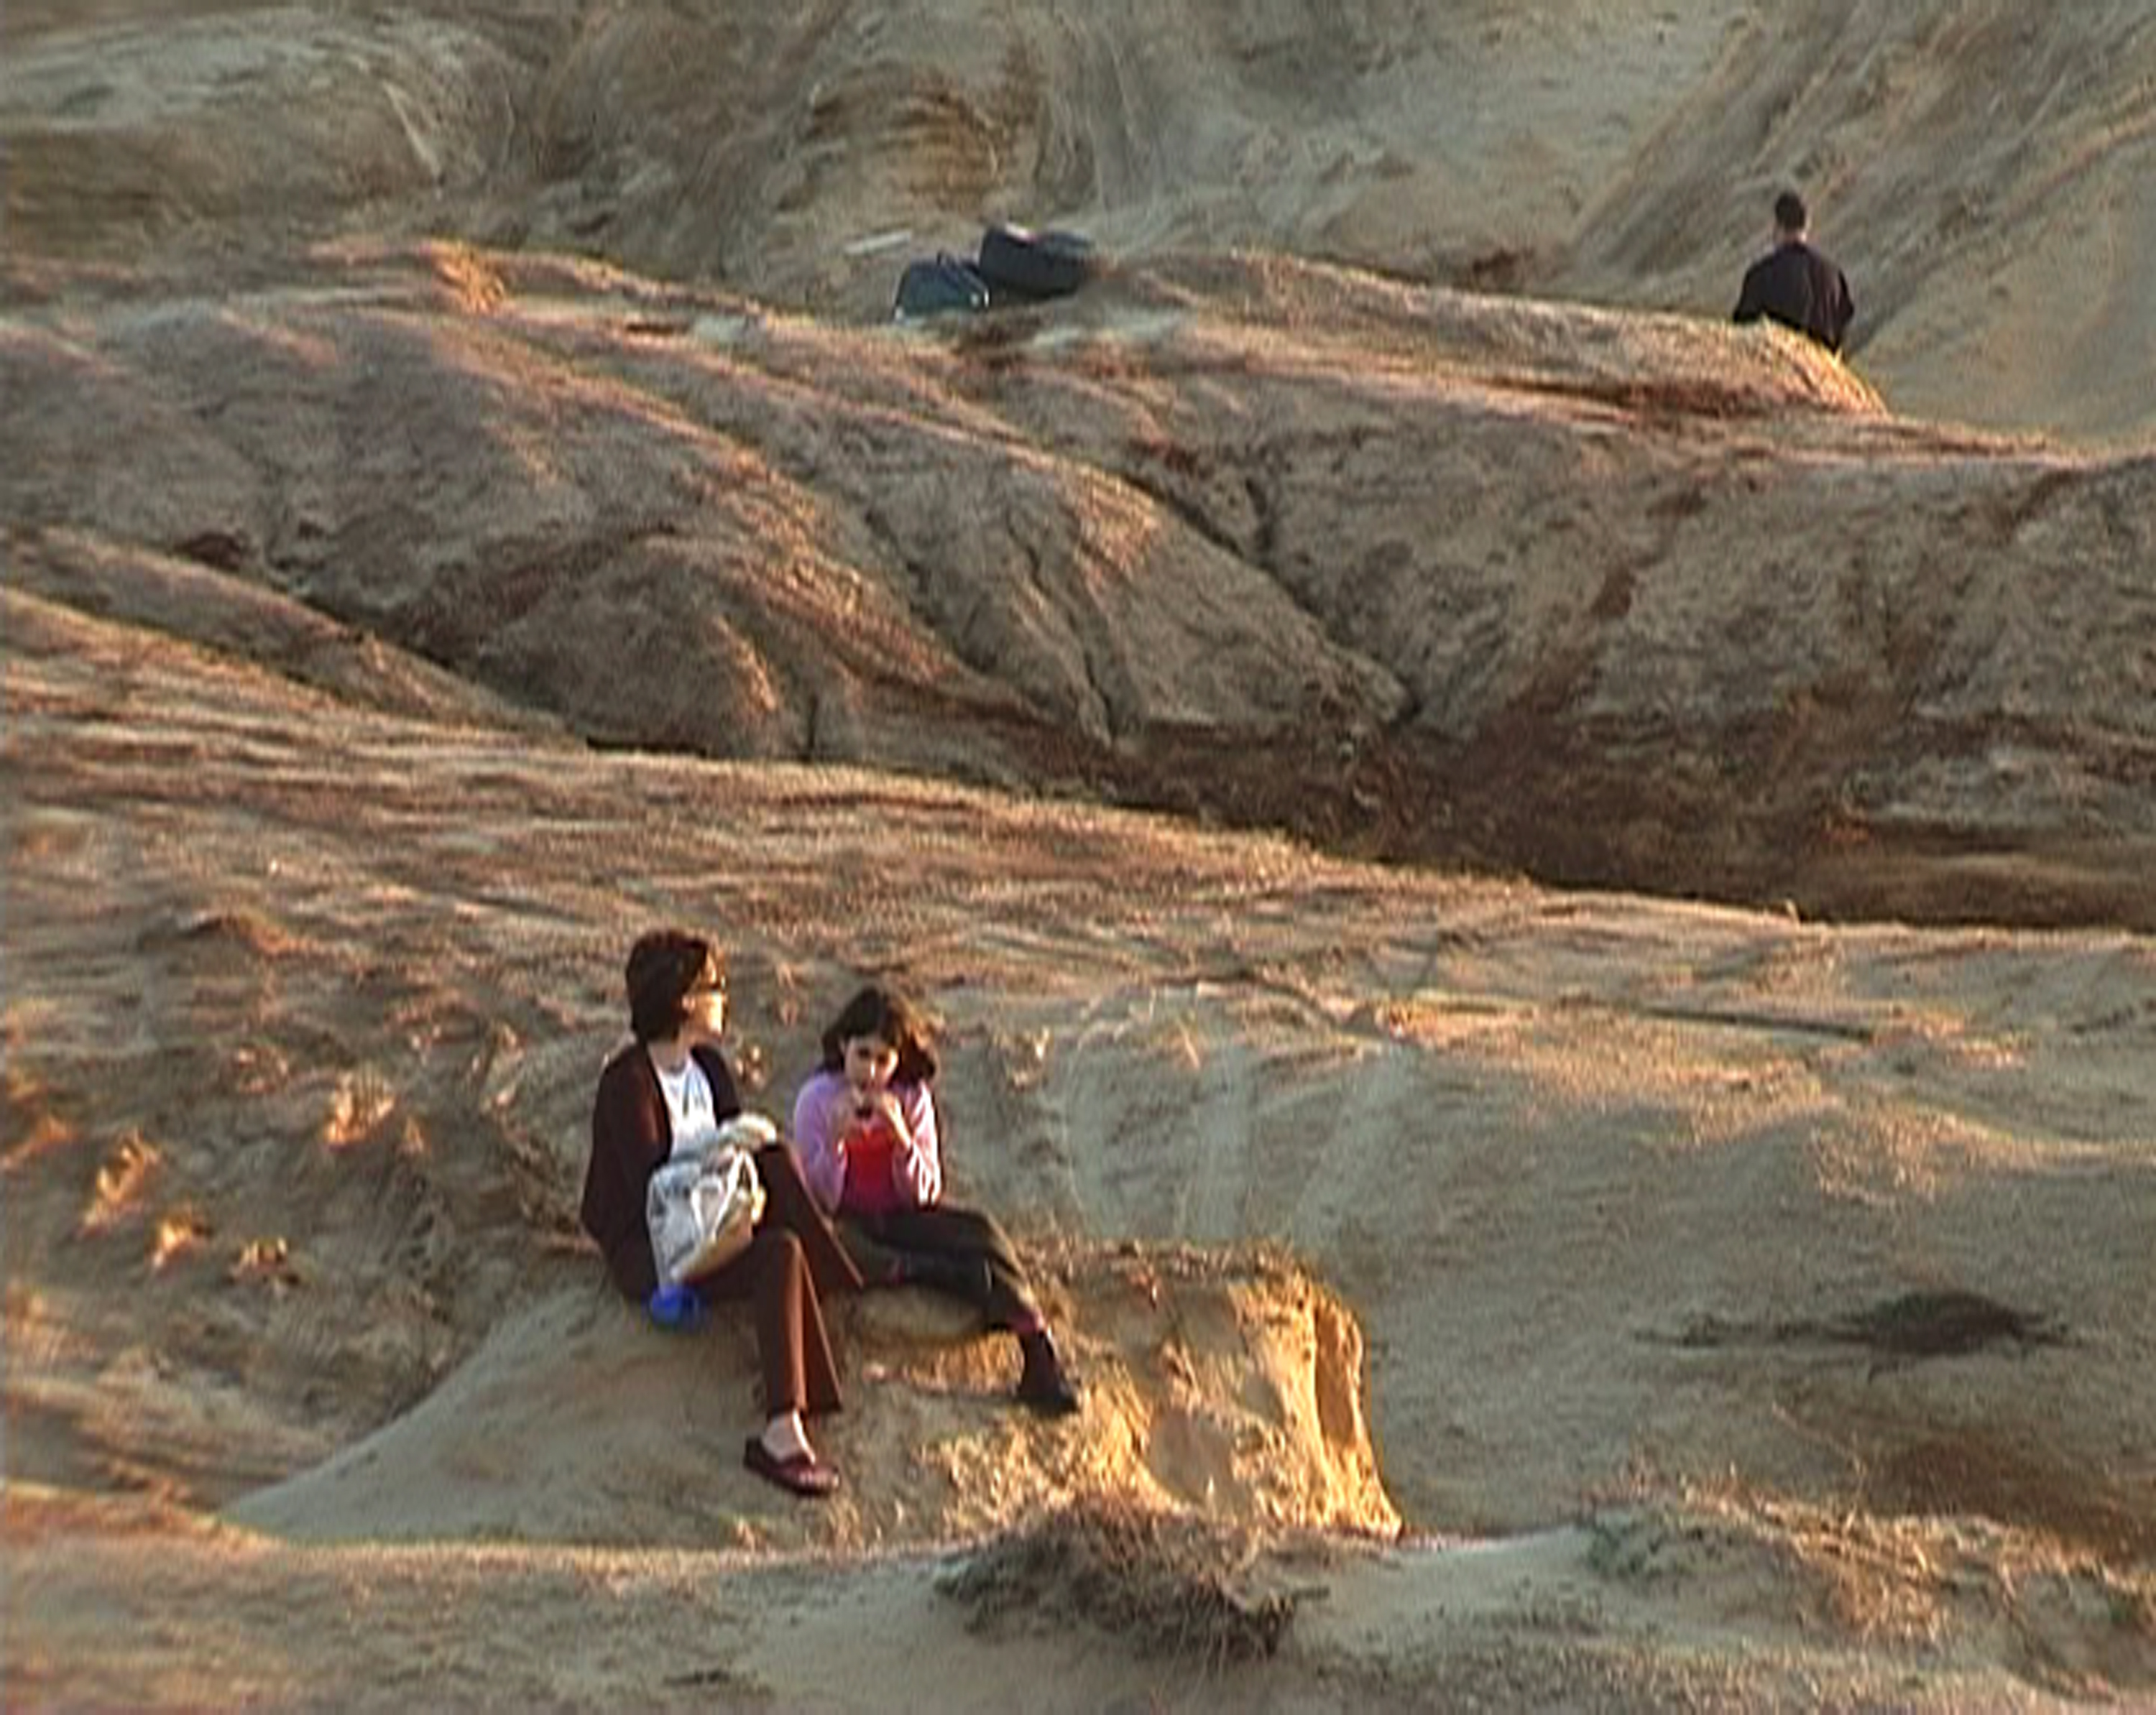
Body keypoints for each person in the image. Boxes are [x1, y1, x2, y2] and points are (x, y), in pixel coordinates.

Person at [581, 928, 865, 1499]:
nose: (724, 998)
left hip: (716, 1222)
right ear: (683, 1000)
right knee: (775, 1179)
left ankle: (786, 1428)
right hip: (661, 1246)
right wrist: (728, 1148)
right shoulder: (627, 1081)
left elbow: (735, 1158)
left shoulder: (708, 1067)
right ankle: (849, 1279)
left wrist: (739, 1153)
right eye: (714, 986)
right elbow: (648, 1188)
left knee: (781, 1235)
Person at [791, 984, 1080, 1416]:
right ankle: (930, 1273)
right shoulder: (816, 1099)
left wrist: (901, 1140)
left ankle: (1038, 1351)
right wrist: (834, 1143)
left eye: (882, 1060)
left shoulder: (912, 1099)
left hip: (903, 1218)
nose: (870, 1072)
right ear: (842, 1047)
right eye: (862, 1055)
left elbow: (926, 1193)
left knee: (981, 1231)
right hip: (850, 1223)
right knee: (829, 1244)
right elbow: (820, 1200)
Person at [1733, 189, 1855, 355]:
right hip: (1821, 375)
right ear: (1807, 225)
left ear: (1778, 226)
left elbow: (1743, 336)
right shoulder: (1834, 276)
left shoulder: (1761, 275)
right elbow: (1842, 332)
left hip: (1776, 372)